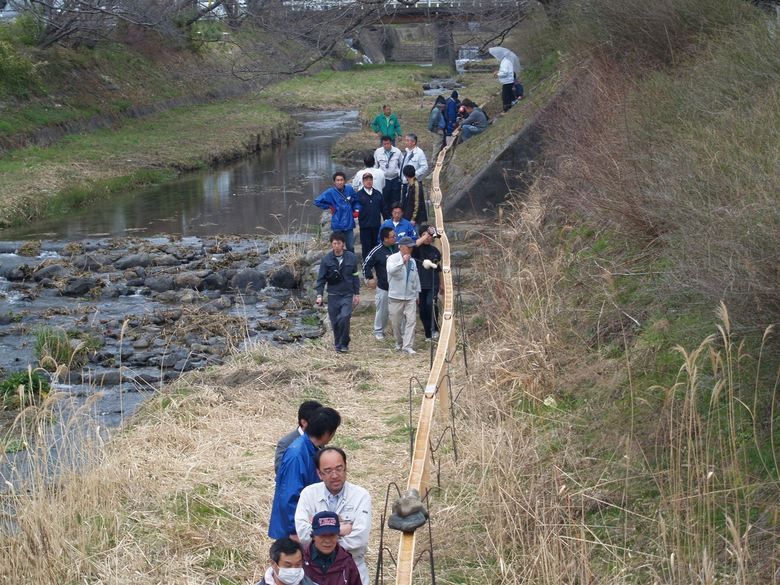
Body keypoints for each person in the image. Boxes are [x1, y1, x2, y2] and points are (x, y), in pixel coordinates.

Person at [295, 447, 372, 585]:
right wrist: (341, 530)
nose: (335, 475)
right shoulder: (308, 494)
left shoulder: (361, 496)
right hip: (314, 571)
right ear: (319, 473)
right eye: (328, 471)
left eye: (339, 468)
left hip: (352, 567)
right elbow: (303, 534)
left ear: (346, 468)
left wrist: (321, 537)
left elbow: (360, 538)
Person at [269, 407, 342, 540]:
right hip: (294, 532)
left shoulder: (313, 448)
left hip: (307, 525)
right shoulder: (297, 455)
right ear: (327, 433)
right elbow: (290, 496)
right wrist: (295, 531)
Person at [315, 232, 361, 353]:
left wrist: (357, 293)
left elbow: (355, 276)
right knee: (335, 321)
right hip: (333, 295)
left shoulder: (351, 257)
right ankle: (338, 345)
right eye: (334, 243)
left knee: (345, 317)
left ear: (343, 244)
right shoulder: (326, 260)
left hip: (347, 294)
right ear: (331, 244)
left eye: (338, 243)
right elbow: (321, 279)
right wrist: (319, 295)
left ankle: (344, 343)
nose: (336, 246)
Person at [302, 511, 362, 585]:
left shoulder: (347, 562)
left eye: (332, 535)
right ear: (313, 535)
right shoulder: (301, 560)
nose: (327, 541)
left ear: (338, 536)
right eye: (322, 535)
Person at [386, 236, 421, 355]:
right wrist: (402, 261)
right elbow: (391, 271)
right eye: (408, 247)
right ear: (401, 247)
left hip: (410, 296)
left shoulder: (413, 261)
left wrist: (417, 293)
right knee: (395, 323)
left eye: (411, 247)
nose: (411, 249)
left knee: (411, 321)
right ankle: (399, 343)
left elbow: (415, 278)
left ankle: (407, 346)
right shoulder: (392, 258)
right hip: (395, 296)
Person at [362, 227, 397, 340]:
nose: (395, 238)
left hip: (398, 286)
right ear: (385, 239)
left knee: (400, 310)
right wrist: (369, 278)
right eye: (392, 237)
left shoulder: (398, 248)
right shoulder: (377, 251)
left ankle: (399, 331)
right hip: (384, 286)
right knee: (382, 310)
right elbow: (366, 265)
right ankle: (379, 330)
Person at [314, 172, 359, 253]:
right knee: (338, 247)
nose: (340, 182)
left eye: (341, 180)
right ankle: (338, 264)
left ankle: (351, 264)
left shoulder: (349, 189)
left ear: (344, 181)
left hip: (349, 223)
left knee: (350, 247)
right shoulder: (330, 192)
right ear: (334, 182)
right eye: (337, 180)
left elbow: (356, 201)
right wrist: (329, 207)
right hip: (338, 224)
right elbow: (317, 201)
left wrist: (356, 210)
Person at [275, 400, 323, 474]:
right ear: (304, 422)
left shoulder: (319, 439)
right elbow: (281, 471)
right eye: (317, 422)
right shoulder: (286, 443)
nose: (321, 426)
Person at [413, 225, 442, 341]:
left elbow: (438, 269)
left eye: (430, 236)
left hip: (432, 283)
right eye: (425, 235)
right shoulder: (415, 250)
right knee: (423, 308)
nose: (428, 238)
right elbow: (414, 245)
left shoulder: (435, 251)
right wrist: (426, 235)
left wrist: (442, 284)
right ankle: (428, 333)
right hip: (419, 284)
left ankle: (434, 328)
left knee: (431, 304)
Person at [355, 173, 383, 259]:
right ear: (363, 181)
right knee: (366, 247)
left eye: (370, 179)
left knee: (376, 247)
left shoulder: (378, 194)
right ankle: (366, 267)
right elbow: (355, 209)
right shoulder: (359, 195)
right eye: (366, 180)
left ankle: (377, 265)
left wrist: (388, 219)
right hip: (365, 226)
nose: (368, 181)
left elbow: (383, 208)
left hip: (376, 225)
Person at [374, 136, 402, 219]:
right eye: (384, 144)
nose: (386, 145)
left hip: (395, 179)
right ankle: (387, 218)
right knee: (385, 199)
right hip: (384, 180)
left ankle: (395, 217)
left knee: (395, 199)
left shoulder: (397, 152)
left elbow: (402, 165)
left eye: (388, 143)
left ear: (391, 143)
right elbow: (375, 166)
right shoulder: (378, 152)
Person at [427, 96, 446, 161]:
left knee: (437, 144)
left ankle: (435, 158)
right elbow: (433, 120)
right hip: (436, 131)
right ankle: (434, 159)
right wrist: (436, 128)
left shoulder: (437, 110)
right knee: (437, 145)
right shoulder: (436, 110)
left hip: (437, 130)